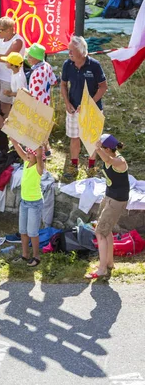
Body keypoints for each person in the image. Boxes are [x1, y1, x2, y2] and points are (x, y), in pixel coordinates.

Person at [60, 35, 108, 179]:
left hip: (92, 110)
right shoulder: (67, 65)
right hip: (73, 108)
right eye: (69, 50)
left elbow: (103, 87)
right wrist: (67, 103)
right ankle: (73, 166)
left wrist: (89, 105)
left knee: (92, 139)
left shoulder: (94, 65)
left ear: (82, 51)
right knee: (74, 138)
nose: (69, 54)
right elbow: (63, 84)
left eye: (72, 51)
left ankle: (91, 167)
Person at [86, 134, 129, 280]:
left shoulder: (119, 161)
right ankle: (109, 263)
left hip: (116, 200)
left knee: (100, 233)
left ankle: (102, 269)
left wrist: (98, 149)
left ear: (108, 149)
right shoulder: (108, 154)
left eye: (102, 148)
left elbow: (108, 160)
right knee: (106, 230)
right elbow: (101, 157)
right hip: (110, 197)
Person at [10, 138, 44, 268]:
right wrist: (13, 140)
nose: (28, 155)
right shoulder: (26, 162)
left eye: (31, 154)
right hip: (24, 202)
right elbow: (19, 149)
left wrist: (39, 146)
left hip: (34, 204)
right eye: (28, 153)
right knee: (23, 231)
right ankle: (25, 254)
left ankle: (36, 256)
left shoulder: (38, 167)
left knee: (32, 232)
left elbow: (40, 156)